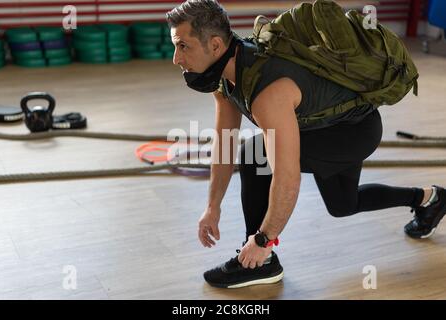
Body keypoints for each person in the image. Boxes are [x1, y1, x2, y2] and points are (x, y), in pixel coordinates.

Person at [165, 0, 446, 289]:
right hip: (326, 125)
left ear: (214, 46)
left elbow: (287, 180)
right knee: (343, 204)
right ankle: (430, 198)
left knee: (254, 154)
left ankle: (260, 263)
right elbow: (225, 144)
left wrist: (264, 240)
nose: (176, 58)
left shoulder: (268, 92)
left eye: (183, 46)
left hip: (353, 132)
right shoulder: (225, 79)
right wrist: (212, 207)